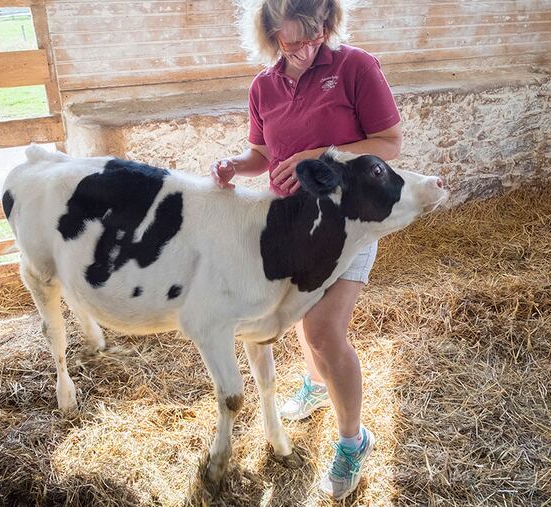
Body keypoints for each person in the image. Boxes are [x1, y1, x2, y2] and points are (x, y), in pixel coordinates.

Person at [210, 0, 402, 499]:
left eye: (314, 35)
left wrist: (319, 157)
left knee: (321, 329)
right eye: (293, 41)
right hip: (291, 223)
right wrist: (233, 165)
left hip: (348, 222)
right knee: (298, 314)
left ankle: (352, 440)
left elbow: (388, 143)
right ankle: (319, 386)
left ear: (327, 23)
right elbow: (262, 155)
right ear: (270, 34)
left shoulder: (354, 66)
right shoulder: (262, 87)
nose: (306, 48)